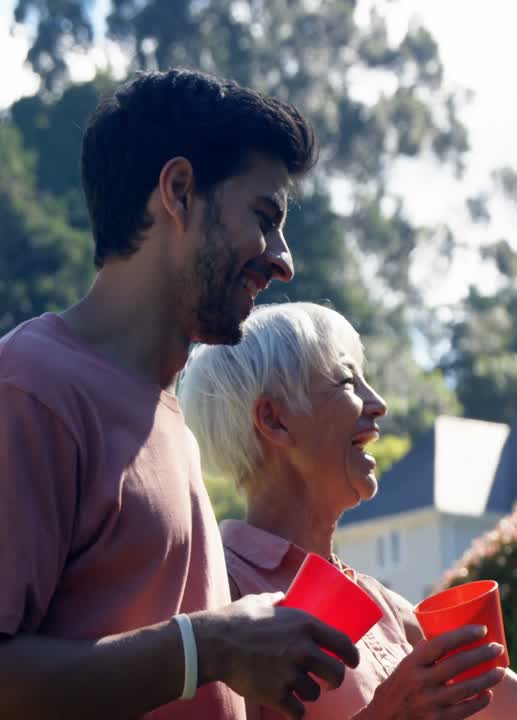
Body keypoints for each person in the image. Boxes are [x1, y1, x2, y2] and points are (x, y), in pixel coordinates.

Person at [0, 69, 366, 719]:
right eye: (264, 217)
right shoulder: (32, 388)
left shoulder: (165, 419)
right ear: (178, 191)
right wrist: (213, 645)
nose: (284, 261)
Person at [177, 301, 517, 720]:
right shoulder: (222, 589)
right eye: (348, 382)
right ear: (274, 421)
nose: (379, 404)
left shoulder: (385, 605)